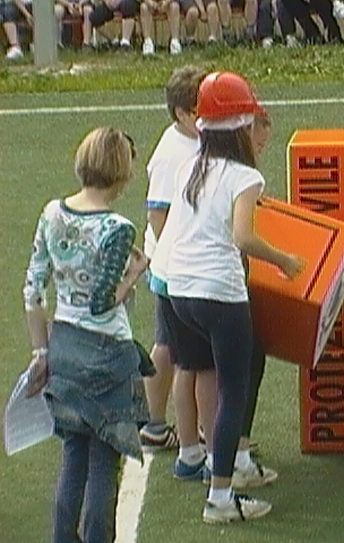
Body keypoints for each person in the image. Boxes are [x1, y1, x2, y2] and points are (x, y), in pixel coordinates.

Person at [150, 71, 303, 522]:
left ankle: (206, 460)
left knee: (199, 371)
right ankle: (221, 493)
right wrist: (284, 260)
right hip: (219, 293)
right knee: (232, 390)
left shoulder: (189, 166)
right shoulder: (244, 176)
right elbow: (242, 237)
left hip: (180, 289)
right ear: (239, 126)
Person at [23, 127, 149, 543]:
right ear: (122, 173)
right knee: (104, 463)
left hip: (64, 346)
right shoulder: (117, 228)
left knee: (73, 455)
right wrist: (133, 274)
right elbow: (103, 302)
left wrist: (42, 352)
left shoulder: (51, 213)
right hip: (107, 354)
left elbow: (33, 290)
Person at [140, 66, 206, 457]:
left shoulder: (193, 141)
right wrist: (179, 256)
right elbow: (158, 215)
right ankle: (158, 423)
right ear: (182, 113)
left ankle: (156, 423)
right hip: (174, 266)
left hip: (176, 263)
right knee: (173, 348)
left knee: (168, 343)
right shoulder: (171, 154)